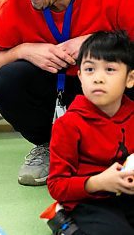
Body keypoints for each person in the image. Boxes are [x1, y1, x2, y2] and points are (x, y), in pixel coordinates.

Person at [0, 0, 134, 186]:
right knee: (9, 79)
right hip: (54, 89)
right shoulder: (14, 0)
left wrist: (95, 43)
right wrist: (23, 50)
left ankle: (116, 146)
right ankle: (51, 147)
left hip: (104, 90)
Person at [46, 30, 134, 234]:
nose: (98, 78)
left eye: (110, 69)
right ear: (80, 76)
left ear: (130, 79)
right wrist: (98, 182)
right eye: (89, 69)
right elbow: (57, 185)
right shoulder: (68, 124)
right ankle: (62, 221)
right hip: (89, 201)